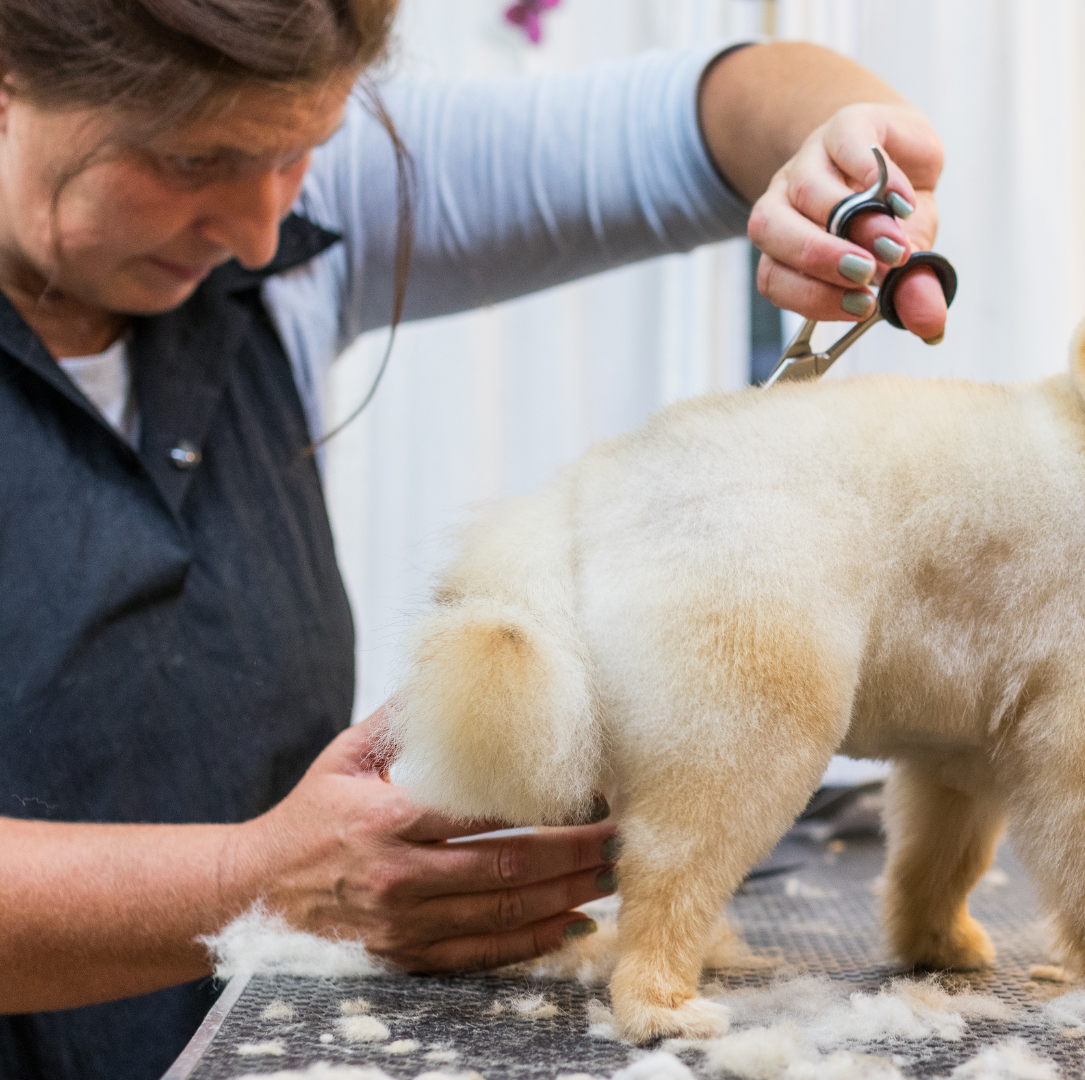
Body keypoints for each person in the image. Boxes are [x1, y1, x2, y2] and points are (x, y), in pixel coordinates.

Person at [0, 2, 949, 1077]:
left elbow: (716, 115)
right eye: (191, 158)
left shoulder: (307, 210)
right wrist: (258, 880)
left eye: (300, 151)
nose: (262, 234)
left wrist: (839, 153)